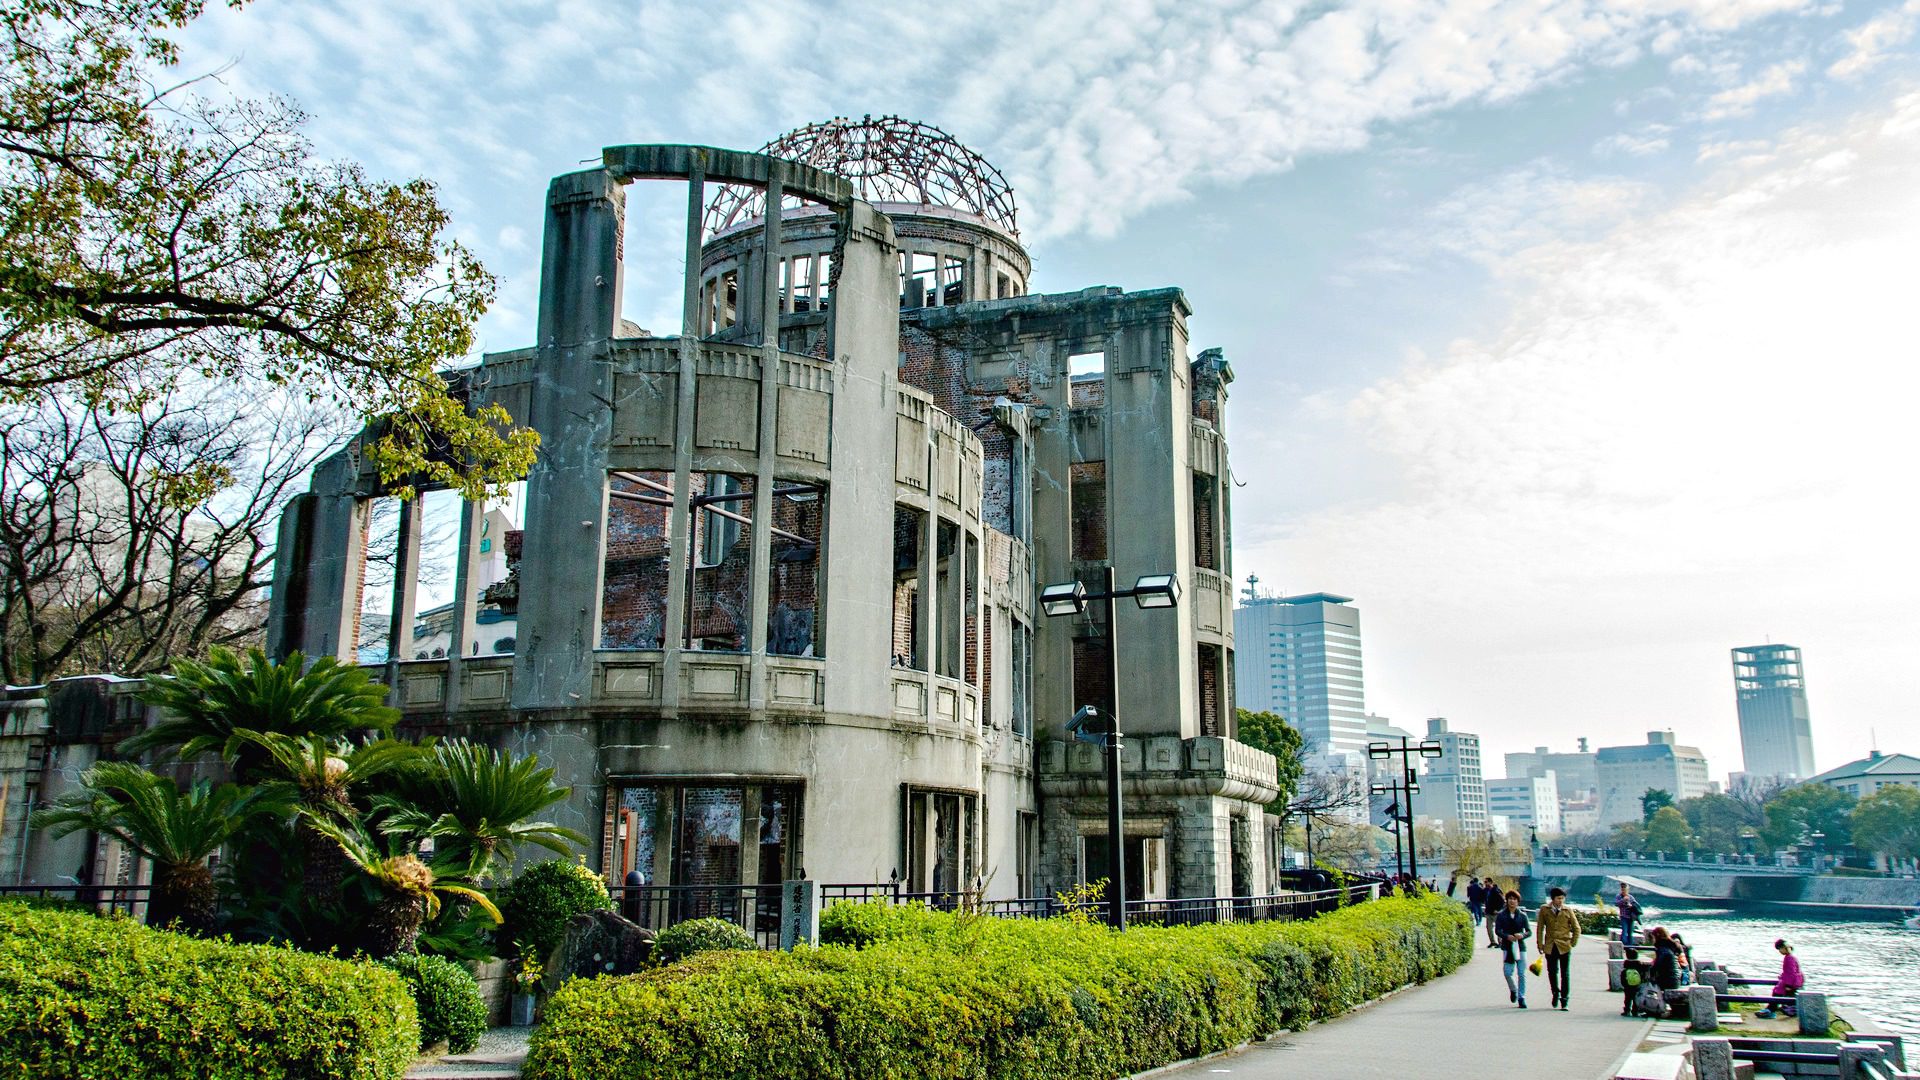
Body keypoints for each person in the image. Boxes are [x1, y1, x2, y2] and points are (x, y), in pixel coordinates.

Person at [1535, 886, 1582, 1011]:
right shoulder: (1545, 909)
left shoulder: (1568, 910)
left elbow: (1577, 928)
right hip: (1550, 945)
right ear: (1553, 899)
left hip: (1564, 946)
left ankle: (1565, 999)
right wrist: (1540, 944)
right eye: (1558, 898)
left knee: (1565, 973)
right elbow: (1540, 928)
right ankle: (1555, 992)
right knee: (1552, 971)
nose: (1560, 901)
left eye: (1562, 898)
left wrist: (1573, 942)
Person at [1493, 889, 1532, 1008]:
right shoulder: (1501, 915)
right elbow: (1497, 930)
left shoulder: (1523, 916)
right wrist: (1506, 936)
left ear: (1518, 901)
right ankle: (1513, 989)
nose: (1512, 901)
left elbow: (1529, 931)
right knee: (1507, 972)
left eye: (1514, 899)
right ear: (1507, 900)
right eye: (1510, 899)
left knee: (1521, 973)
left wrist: (1522, 935)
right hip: (1507, 946)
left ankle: (1522, 997)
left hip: (1520, 947)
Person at [1757, 938, 1804, 1019]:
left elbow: (1790, 972)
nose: (1779, 951)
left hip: (1789, 983)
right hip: (1792, 982)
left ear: (1783, 948)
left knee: (1777, 994)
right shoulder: (1791, 957)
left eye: (1779, 949)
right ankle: (1771, 1010)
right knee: (1780, 995)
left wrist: (1788, 985)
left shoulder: (1789, 958)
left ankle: (1771, 1011)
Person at [1615, 882, 1642, 946]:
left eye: (1625, 889)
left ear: (1627, 889)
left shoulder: (1631, 897)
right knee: (1624, 931)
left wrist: (1631, 905)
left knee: (1630, 933)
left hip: (1631, 917)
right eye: (1622, 889)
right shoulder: (1618, 896)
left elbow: (1637, 905)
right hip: (1623, 916)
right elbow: (1616, 904)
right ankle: (1623, 945)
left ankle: (1630, 946)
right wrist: (1623, 900)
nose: (1624, 890)